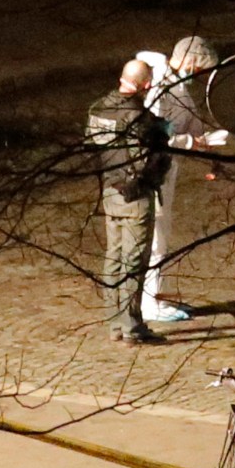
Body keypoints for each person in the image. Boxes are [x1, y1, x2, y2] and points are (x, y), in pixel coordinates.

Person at [136, 36, 227, 324]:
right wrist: (194, 142)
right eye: (199, 71)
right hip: (153, 170)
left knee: (161, 233)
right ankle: (150, 302)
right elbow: (153, 136)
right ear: (189, 63)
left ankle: (154, 296)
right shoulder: (160, 89)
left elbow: (191, 118)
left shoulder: (178, 88)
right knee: (155, 236)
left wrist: (210, 151)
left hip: (166, 168)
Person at [85, 59, 170, 345]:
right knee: (134, 262)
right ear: (145, 84)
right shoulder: (141, 119)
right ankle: (132, 326)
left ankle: (115, 323)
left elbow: (93, 146)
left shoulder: (98, 108)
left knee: (114, 257)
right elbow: (154, 159)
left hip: (110, 191)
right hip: (135, 196)